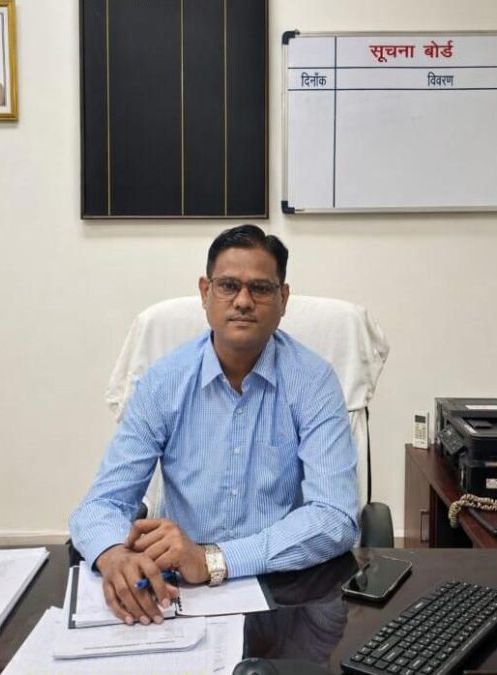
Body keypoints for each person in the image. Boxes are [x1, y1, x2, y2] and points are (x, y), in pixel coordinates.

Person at [69, 224, 358, 626]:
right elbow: (101, 504)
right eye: (228, 286)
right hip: (180, 593)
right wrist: (114, 554)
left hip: (284, 593)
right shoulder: (163, 383)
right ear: (205, 293)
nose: (243, 301)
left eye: (260, 288)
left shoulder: (314, 382)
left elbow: (335, 516)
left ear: (283, 299)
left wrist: (212, 560)